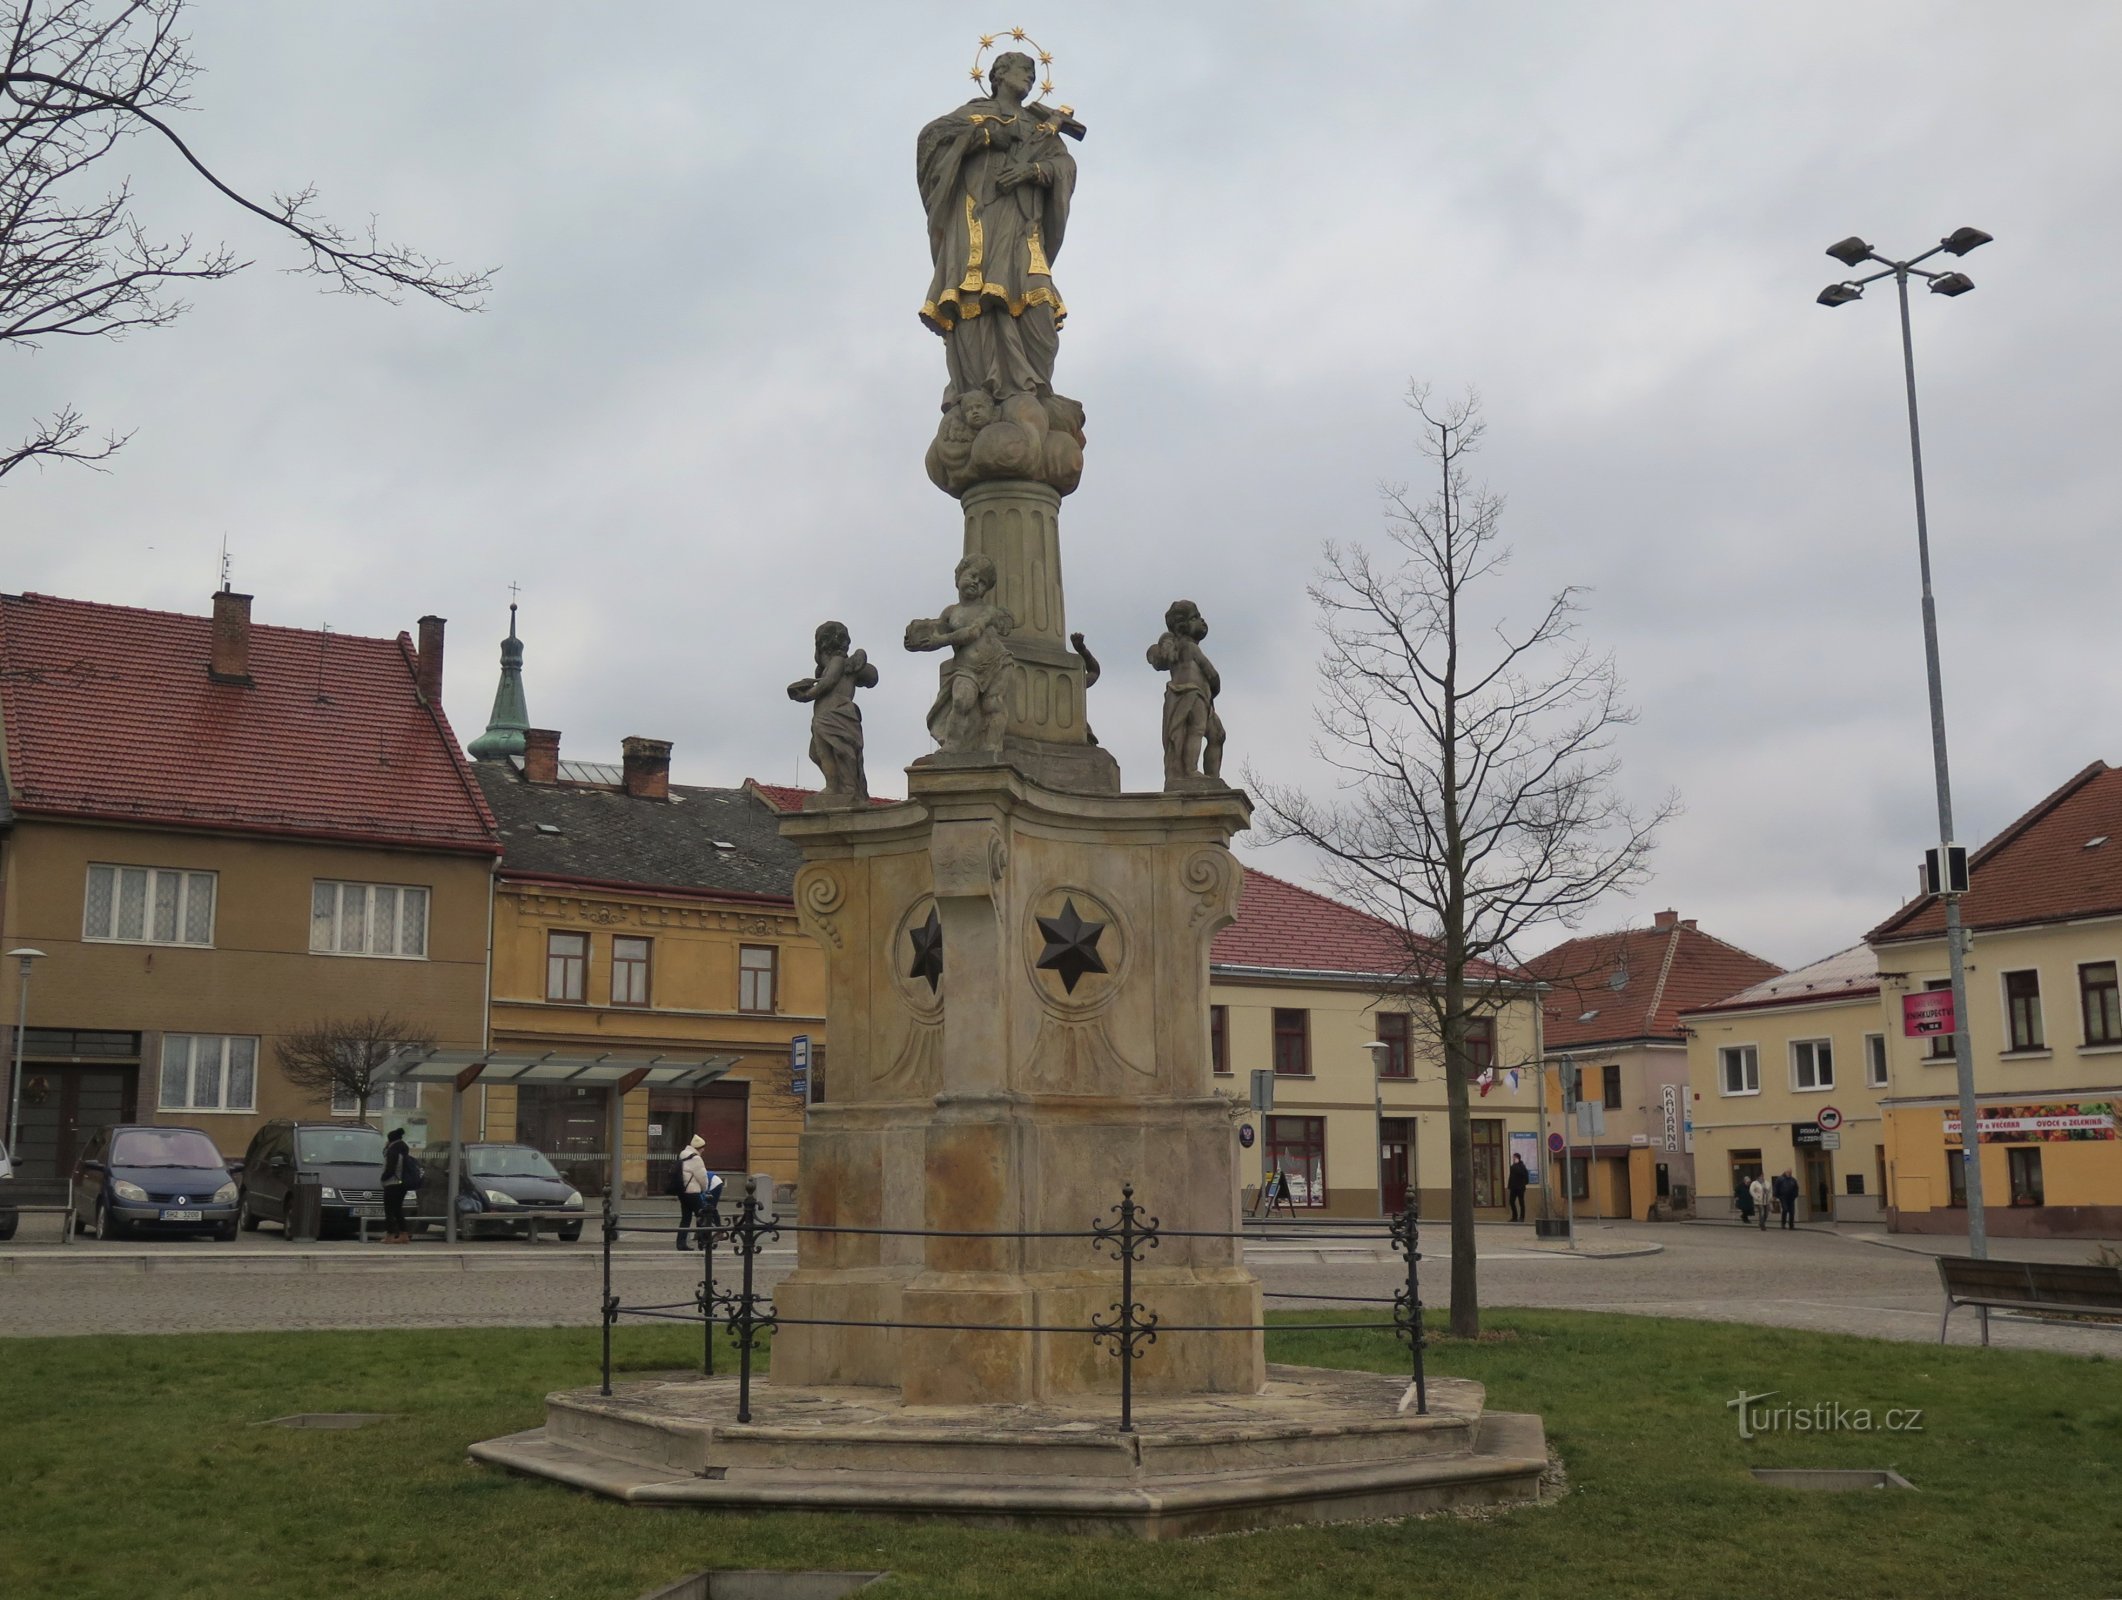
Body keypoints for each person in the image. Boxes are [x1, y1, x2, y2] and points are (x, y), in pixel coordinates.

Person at [916, 50, 1077, 402]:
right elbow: (931, 142)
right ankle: (980, 391)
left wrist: (1030, 171)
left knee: (1039, 311)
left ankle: (1035, 390)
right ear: (999, 74)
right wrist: (984, 137)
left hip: (1022, 224)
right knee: (976, 299)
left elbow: (1063, 165)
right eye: (1023, 70)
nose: (1031, 78)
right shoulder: (971, 115)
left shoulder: (1040, 124)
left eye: (1034, 74)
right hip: (978, 222)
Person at [677, 1134, 709, 1253]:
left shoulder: (683, 1155)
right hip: (693, 1192)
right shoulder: (696, 1159)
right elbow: (702, 1177)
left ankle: (681, 1243)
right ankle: (703, 1242)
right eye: (703, 1148)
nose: (704, 1150)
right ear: (699, 1147)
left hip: (683, 1191)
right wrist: (705, 1189)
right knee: (702, 1216)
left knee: (685, 1218)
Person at [380, 1126, 413, 1245]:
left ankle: (390, 1235)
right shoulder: (403, 1149)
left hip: (392, 1184)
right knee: (398, 1209)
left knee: (389, 1210)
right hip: (401, 1184)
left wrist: (383, 1178)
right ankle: (404, 1234)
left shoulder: (393, 1150)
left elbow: (390, 1169)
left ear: (391, 1140)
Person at [1506, 1153, 1530, 1223]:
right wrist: (1509, 1186)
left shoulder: (1522, 1166)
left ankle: (1522, 1217)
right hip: (1513, 1188)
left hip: (1520, 1188)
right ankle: (1514, 1217)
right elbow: (1511, 1177)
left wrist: (1523, 1184)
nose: (1513, 1159)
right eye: (1513, 1158)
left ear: (1518, 1158)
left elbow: (1525, 1176)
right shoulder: (1513, 1166)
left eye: (1514, 1158)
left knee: (1521, 1202)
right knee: (1511, 1201)